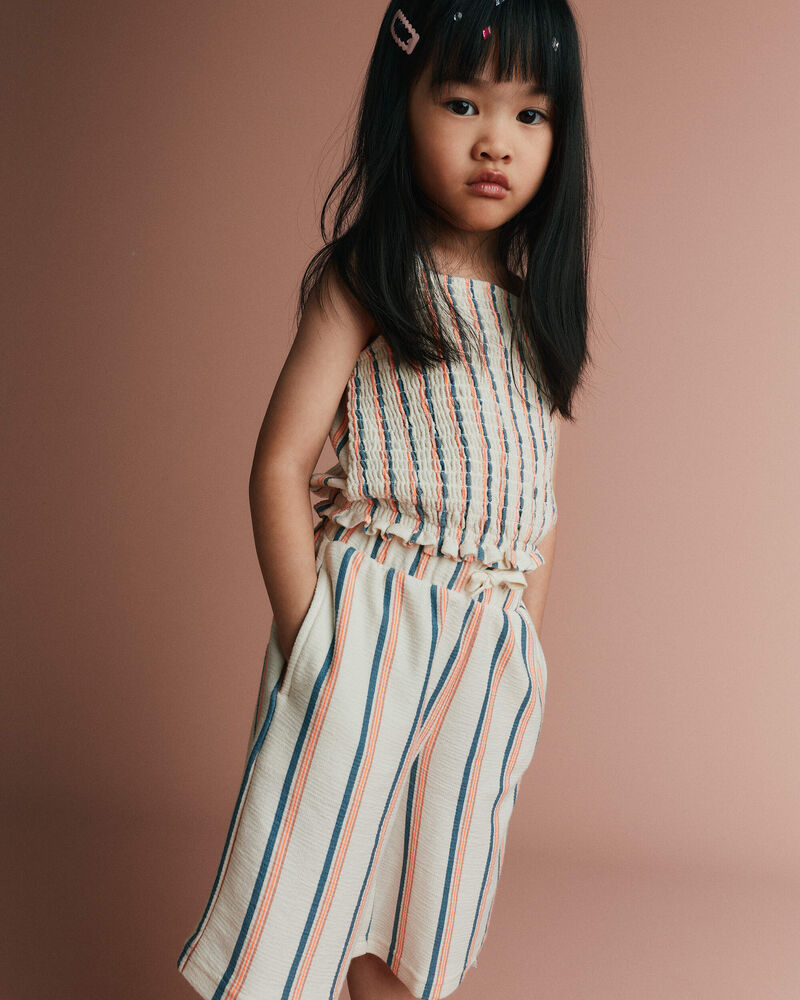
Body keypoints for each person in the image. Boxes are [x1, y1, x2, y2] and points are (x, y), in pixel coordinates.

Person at [176, 0, 594, 997]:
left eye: (530, 114)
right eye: (460, 101)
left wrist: (520, 660)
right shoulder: (372, 278)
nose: (495, 139)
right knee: (307, 893)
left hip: (482, 652)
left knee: (423, 908)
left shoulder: (535, 315)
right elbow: (278, 465)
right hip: (370, 629)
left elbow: (536, 513)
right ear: (397, 107)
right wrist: (314, 637)